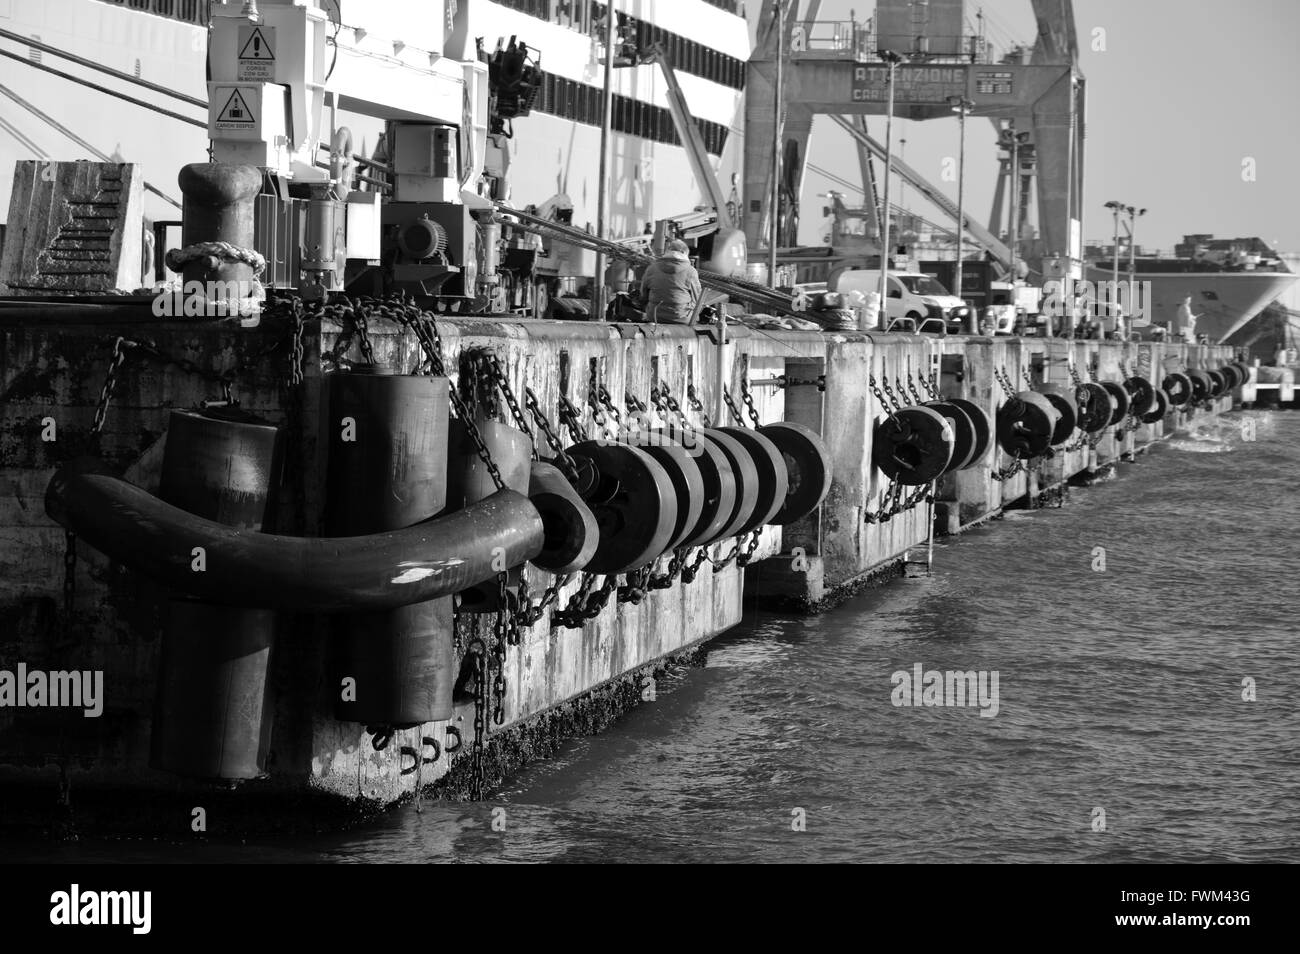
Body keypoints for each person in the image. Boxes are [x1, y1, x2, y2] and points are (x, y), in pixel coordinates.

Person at [639, 238, 702, 324]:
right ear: (684, 253)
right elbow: (697, 300)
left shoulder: (652, 268)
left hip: (654, 316)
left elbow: (643, 294)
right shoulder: (691, 271)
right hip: (681, 318)